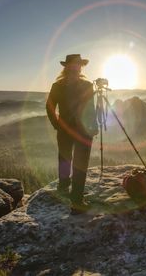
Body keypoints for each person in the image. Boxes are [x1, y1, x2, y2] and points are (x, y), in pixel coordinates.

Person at [46, 54, 98, 214]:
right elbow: (49, 107)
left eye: (78, 65)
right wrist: (57, 125)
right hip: (66, 130)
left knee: (77, 163)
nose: (75, 67)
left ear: (80, 67)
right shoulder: (57, 86)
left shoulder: (88, 85)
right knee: (65, 158)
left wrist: (93, 126)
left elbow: (91, 109)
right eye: (72, 64)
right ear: (66, 67)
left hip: (82, 131)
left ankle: (76, 199)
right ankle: (64, 189)